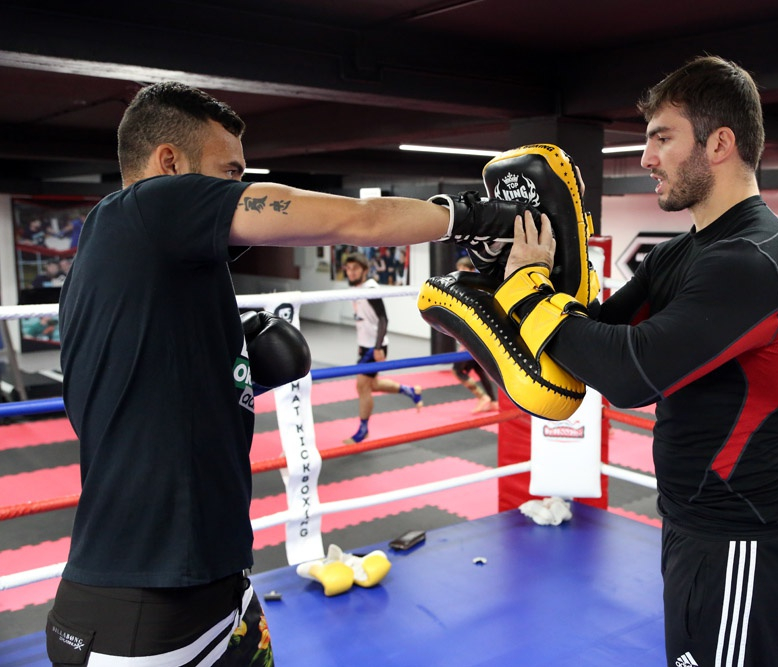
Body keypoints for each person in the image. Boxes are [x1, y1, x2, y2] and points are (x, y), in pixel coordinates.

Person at [52, 81, 528, 666]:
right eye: (229, 173)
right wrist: (480, 217)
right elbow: (357, 220)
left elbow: (118, 405)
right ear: (169, 163)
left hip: (216, 589)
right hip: (141, 617)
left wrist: (236, 374)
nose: (238, 185)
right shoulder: (150, 206)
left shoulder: (118, 262)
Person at [504, 55, 778, 667]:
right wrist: (527, 273)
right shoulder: (681, 254)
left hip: (740, 539)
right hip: (691, 523)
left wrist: (527, 296)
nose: (646, 158)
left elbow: (629, 376)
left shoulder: (758, 260)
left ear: (720, 144)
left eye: (662, 138)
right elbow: (597, 338)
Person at [341, 252, 423, 444]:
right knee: (372, 385)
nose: (351, 272)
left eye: (355, 268)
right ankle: (410, 391)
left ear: (364, 270)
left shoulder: (370, 289)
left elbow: (383, 319)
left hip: (374, 347)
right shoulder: (357, 288)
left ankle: (363, 430)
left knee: (362, 386)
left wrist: (377, 347)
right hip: (365, 346)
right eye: (348, 268)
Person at [451, 255, 499, 412]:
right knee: (479, 369)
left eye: (463, 269)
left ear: (472, 270)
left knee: (457, 370)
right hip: (476, 336)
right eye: (458, 269)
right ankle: (493, 402)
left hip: (473, 337)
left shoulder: (473, 289)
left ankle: (482, 397)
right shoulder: (468, 288)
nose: (460, 272)